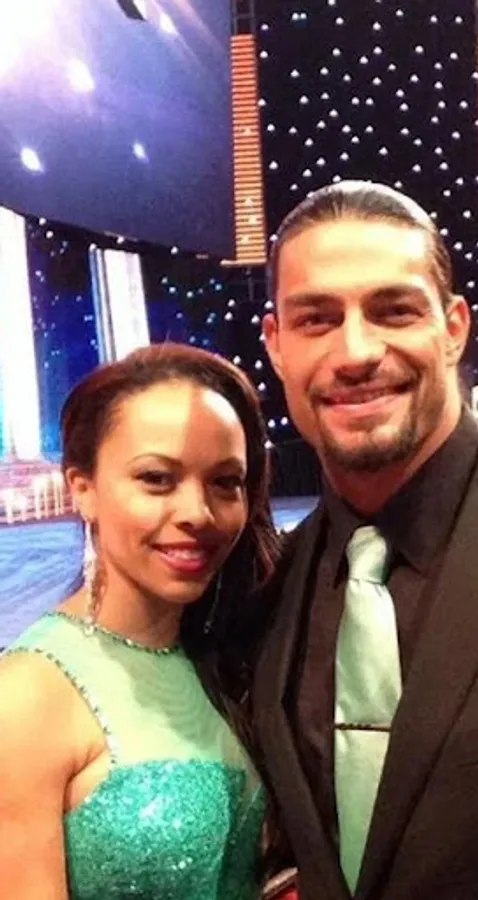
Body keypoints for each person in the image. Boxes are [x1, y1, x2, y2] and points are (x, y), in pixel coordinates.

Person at [253, 180, 478, 899]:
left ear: (454, 327)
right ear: (276, 344)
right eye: (316, 319)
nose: (356, 351)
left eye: (394, 310)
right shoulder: (272, 587)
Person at [0, 343, 282, 900]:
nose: (197, 513)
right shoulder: (27, 697)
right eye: (156, 478)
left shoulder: (233, 658)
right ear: (82, 489)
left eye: (225, 482)